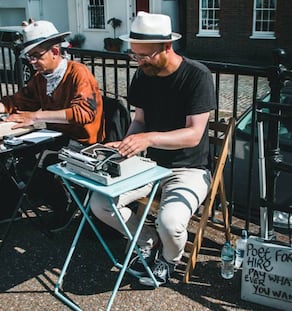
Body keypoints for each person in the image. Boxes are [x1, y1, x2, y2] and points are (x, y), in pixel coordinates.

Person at [89, 12, 216, 287]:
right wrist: (128, 143)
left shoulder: (197, 76)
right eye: (135, 54)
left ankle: (169, 260)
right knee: (99, 203)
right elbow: (140, 121)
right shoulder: (144, 75)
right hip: (150, 165)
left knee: (169, 223)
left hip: (190, 168)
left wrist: (147, 139)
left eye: (144, 55)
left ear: (167, 47)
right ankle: (146, 239)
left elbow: (194, 135)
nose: (139, 61)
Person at [0, 20, 105, 231]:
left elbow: (84, 113)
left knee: (36, 163)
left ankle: (63, 205)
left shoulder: (78, 73)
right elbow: (21, 100)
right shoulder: (41, 78)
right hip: (54, 136)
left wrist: (35, 116)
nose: (32, 62)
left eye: (36, 56)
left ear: (54, 51)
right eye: (29, 57)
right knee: (1, 155)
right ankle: (10, 204)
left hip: (80, 141)